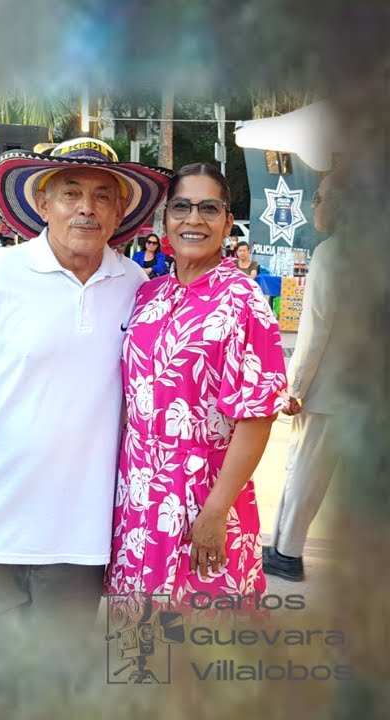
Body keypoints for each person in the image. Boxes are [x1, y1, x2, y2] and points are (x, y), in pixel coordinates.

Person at [0, 137, 173, 629]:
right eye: (71, 194)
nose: (86, 209)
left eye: (102, 197)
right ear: (43, 204)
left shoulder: (139, 288)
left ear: (119, 214)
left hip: (79, 540)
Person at [107, 163, 287, 606]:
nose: (194, 219)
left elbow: (257, 415)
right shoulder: (148, 295)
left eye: (209, 208)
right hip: (139, 493)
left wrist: (217, 510)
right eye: (181, 207)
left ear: (228, 221)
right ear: (164, 219)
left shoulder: (242, 300)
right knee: (142, 640)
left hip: (206, 493)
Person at [264, 170, 348, 582]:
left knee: (306, 472)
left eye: (320, 197)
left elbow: (315, 329)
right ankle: (283, 546)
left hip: (330, 389)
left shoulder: (334, 253)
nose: (315, 204)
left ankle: (287, 551)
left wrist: (293, 387)